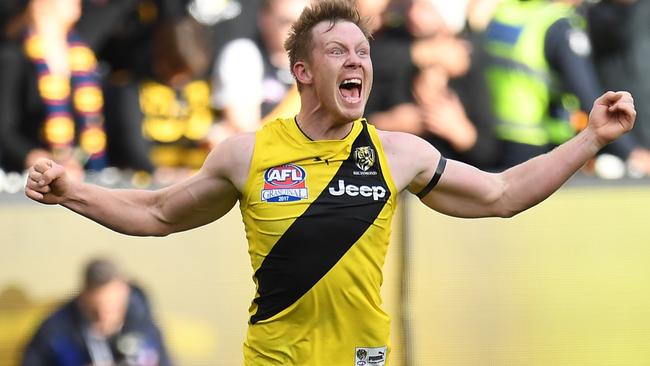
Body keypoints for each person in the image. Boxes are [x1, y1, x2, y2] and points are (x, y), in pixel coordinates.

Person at [24, 1, 637, 365]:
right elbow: (157, 213)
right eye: (339, 51)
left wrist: (592, 137)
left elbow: (502, 196)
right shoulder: (247, 154)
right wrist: (71, 191)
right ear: (302, 72)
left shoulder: (399, 154)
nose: (358, 62)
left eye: (364, 52)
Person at [480, 0, 650, 172]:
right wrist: (632, 152)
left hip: (496, 137)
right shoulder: (558, 25)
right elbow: (586, 94)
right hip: (539, 142)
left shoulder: (505, 12)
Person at [0, 0, 108, 179]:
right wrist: (35, 157)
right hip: (25, 180)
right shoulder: (13, 57)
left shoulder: (81, 53)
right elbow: (4, 128)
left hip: (81, 175)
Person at [22, 258, 172, 366]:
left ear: (125, 292)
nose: (104, 316)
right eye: (96, 309)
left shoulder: (144, 325)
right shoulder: (54, 330)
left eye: (113, 308)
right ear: (83, 297)